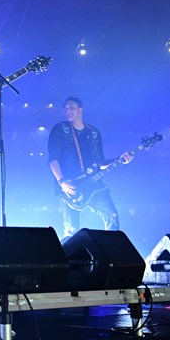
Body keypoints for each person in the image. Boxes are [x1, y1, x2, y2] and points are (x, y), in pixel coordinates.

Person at [47, 96, 132, 236]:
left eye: (71, 107)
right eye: (66, 108)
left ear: (81, 110)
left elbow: (100, 163)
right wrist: (62, 181)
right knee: (71, 230)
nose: (68, 111)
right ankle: (72, 256)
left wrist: (119, 159)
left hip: (94, 183)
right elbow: (53, 159)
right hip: (71, 186)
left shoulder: (93, 133)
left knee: (112, 215)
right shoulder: (60, 129)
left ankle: (110, 251)